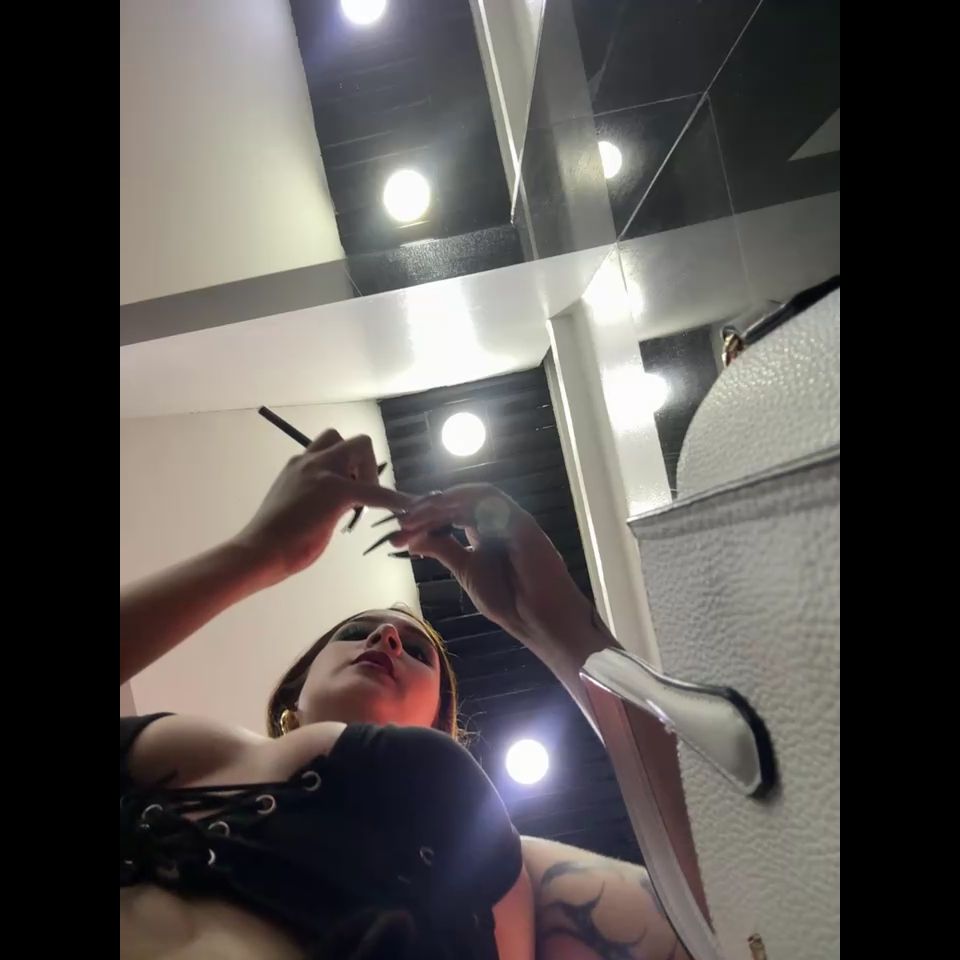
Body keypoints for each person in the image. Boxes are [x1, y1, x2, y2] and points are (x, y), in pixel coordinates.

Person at [120, 428, 689, 960]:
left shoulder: (492, 858)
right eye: (355, 631)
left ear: (440, 727)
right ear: (294, 693)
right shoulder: (183, 752)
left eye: (417, 652)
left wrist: (558, 625)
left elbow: (729, 898)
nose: (386, 638)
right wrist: (259, 550)